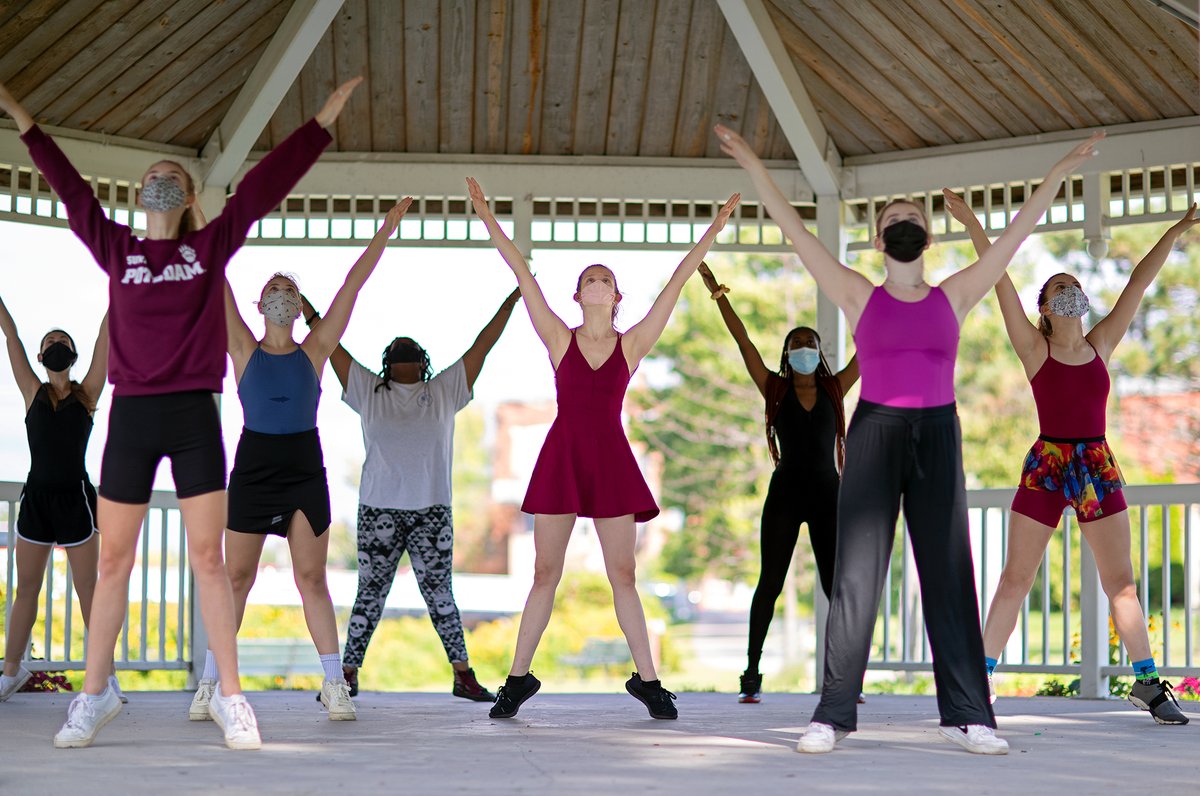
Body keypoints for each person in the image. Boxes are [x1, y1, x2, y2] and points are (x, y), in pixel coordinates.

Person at [717, 121, 1103, 755]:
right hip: (874, 430)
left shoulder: (954, 295)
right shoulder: (856, 294)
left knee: (949, 568)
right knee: (856, 576)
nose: (903, 222)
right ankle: (832, 714)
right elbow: (793, 230)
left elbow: (1012, 240)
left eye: (912, 216)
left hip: (937, 431)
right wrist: (755, 166)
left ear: (927, 236)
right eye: (892, 216)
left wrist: (1058, 173)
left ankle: (969, 715)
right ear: (879, 240)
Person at [0, 75, 360, 749]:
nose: (161, 178)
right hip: (133, 416)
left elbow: (263, 187)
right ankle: (94, 693)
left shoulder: (206, 249)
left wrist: (321, 121)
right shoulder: (119, 251)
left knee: (210, 560)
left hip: (193, 413)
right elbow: (71, 190)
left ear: (189, 196)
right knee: (113, 561)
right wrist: (22, 118)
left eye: (173, 174)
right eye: (152, 174)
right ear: (139, 195)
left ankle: (231, 697)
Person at [468, 176, 739, 720]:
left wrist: (713, 229)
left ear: (616, 297)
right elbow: (522, 274)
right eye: (588, 277)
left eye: (605, 278)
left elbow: (678, 282)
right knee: (546, 572)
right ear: (577, 295)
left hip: (611, 458)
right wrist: (485, 214)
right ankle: (517, 680)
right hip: (563, 456)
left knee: (624, 575)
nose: (596, 281)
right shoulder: (559, 338)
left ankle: (649, 681)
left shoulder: (632, 343)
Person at [945, 191, 1196, 725]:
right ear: (1044, 308)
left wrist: (1176, 230)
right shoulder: (1034, 350)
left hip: (1096, 466)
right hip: (1048, 464)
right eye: (1060, 288)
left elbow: (1138, 284)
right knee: (1016, 578)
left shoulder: (1101, 343)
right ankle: (979, 678)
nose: (1070, 292)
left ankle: (1148, 685)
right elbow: (1000, 282)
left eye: (1075, 287)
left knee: (1121, 583)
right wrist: (972, 224)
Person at [187, 199, 412, 724]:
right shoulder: (242, 347)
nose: (282, 294)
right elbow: (213, 274)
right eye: (273, 288)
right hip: (254, 465)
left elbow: (352, 287)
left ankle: (335, 684)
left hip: (303, 466)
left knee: (311, 579)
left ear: (298, 302)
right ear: (260, 302)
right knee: (235, 578)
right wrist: (200, 215)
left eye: (289, 289)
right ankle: (208, 684)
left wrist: (386, 230)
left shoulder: (316, 351)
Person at [306, 283, 521, 702]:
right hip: (385, 510)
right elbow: (329, 342)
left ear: (420, 364)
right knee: (376, 594)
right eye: (401, 350)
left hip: (426, 511)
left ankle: (457, 675)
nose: (405, 353)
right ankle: (347, 676)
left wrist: (510, 303)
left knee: (428, 595)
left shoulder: (440, 391)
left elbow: (484, 344)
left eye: (410, 351)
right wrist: (311, 314)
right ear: (398, 365)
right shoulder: (373, 390)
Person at [696, 262, 859, 704]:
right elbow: (742, 339)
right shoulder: (773, 387)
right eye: (796, 343)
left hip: (828, 493)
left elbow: (869, 344)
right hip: (785, 493)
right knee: (770, 582)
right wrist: (718, 294)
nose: (804, 347)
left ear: (820, 351)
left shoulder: (835, 388)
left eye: (810, 342)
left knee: (835, 584)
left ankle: (846, 677)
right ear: (786, 353)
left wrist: (869, 299)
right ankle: (751, 673)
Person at [0, 304, 114, 702]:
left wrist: (124, 283)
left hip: (76, 501)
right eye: (50, 342)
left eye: (63, 342)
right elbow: (11, 336)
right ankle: (10, 673)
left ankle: (106, 679)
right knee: (26, 590)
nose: (56, 346)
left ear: (73, 355)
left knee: (89, 592)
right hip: (37, 501)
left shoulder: (88, 394)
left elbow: (106, 337)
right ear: (41, 356)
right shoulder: (32, 392)